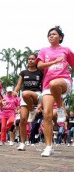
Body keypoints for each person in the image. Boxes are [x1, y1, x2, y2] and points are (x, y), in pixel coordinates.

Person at [36, 26, 74, 157]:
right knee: (46, 114)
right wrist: (54, 62)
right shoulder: (43, 51)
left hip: (63, 81)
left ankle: (61, 109)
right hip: (47, 85)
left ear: (60, 37)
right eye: (49, 34)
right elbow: (39, 66)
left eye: (54, 34)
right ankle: (48, 146)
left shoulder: (66, 50)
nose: (51, 36)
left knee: (54, 84)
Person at [13, 53, 43, 151]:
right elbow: (18, 85)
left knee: (25, 93)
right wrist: (15, 91)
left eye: (33, 59)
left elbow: (44, 85)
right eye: (29, 59)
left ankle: (32, 111)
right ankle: (22, 143)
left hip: (36, 95)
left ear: (36, 60)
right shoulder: (23, 73)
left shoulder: (40, 72)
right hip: (26, 99)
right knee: (23, 120)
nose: (30, 60)